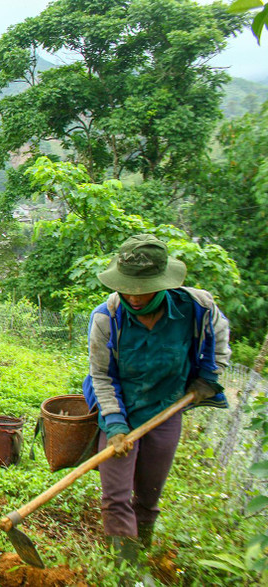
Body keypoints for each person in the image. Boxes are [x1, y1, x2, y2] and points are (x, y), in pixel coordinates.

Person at [82, 234, 230, 578]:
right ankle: (126, 568)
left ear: (163, 283)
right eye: (127, 287)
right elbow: (101, 376)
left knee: (148, 494)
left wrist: (209, 377)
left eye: (143, 287)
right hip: (120, 408)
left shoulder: (197, 308)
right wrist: (116, 425)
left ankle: (142, 542)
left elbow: (219, 343)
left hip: (167, 408)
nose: (133, 296)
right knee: (116, 494)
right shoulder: (107, 318)